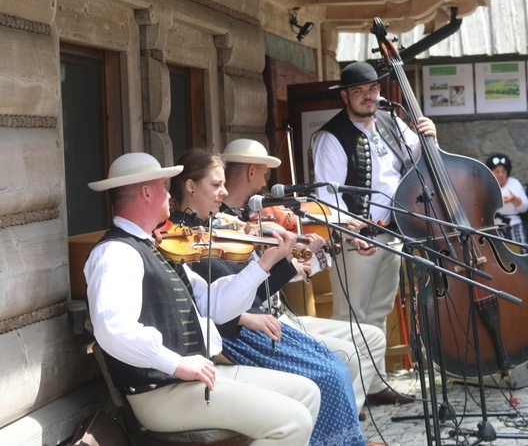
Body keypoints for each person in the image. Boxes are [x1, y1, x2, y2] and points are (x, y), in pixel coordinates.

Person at [85, 152, 320, 444]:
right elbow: (113, 328)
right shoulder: (115, 252)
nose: (169, 194)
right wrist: (175, 363)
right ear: (145, 192)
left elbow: (216, 305)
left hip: (193, 378)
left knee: (307, 392)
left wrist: (263, 265)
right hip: (160, 394)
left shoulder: (157, 245)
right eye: (163, 185)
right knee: (292, 422)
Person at [168, 148, 366, 446]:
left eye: (223, 185)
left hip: (253, 326)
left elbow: (253, 288)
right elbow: (187, 304)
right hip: (231, 337)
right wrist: (244, 315)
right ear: (190, 186)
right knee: (330, 376)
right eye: (215, 185)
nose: (223, 193)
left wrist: (282, 259)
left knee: (334, 365)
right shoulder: (175, 239)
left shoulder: (220, 226)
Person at [219, 138, 390, 415]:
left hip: (279, 315)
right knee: (348, 357)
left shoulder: (259, 214)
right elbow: (262, 279)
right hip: (260, 322)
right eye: (264, 173)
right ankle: (341, 422)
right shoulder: (225, 225)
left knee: (371, 337)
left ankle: (347, 421)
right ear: (251, 171)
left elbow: (295, 269)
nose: (266, 181)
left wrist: (332, 243)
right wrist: (299, 257)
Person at [312, 61, 436, 405]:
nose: (368, 96)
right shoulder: (330, 137)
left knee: (379, 310)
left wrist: (429, 134)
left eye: (373, 89)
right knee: (350, 316)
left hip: (392, 232)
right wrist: (354, 234)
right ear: (344, 96)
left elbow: (419, 156)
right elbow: (329, 197)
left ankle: (373, 384)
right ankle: (348, 398)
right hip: (357, 239)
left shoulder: (391, 120)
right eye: (358, 91)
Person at [486, 153, 528, 244]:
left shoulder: (514, 183)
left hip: (514, 222)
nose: (501, 174)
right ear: (491, 172)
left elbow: (525, 208)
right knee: (499, 250)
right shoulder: (486, 186)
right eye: (497, 172)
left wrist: (514, 199)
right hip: (495, 224)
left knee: (521, 246)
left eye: (503, 171)